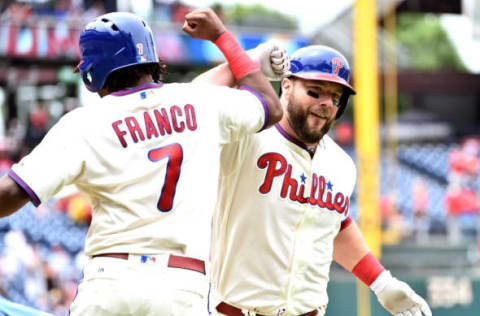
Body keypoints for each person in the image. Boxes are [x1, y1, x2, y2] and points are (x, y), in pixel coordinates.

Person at [0, 9, 282, 316]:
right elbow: (270, 105)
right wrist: (222, 38)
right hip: (181, 285)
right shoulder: (200, 101)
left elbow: (13, 192)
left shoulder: (83, 123)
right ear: (152, 60)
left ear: (93, 73)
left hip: (111, 282)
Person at [195, 45, 432, 316]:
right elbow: (193, 102)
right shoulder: (246, 136)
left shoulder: (341, 164)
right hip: (236, 310)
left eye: (336, 97)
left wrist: (381, 282)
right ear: (286, 86)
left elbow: (334, 223)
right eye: (314, 91)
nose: (326, 103)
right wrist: (248, 61)